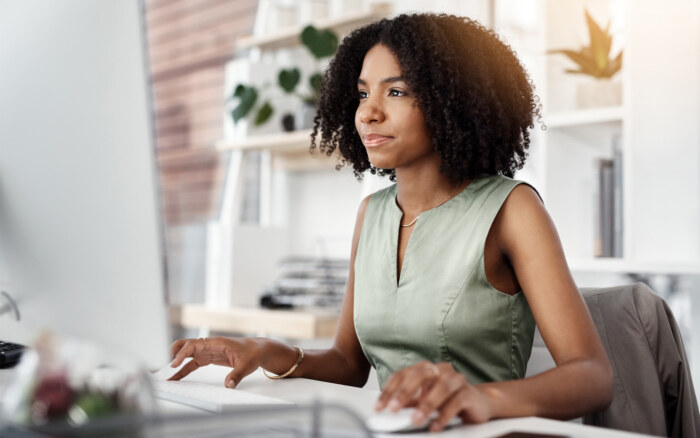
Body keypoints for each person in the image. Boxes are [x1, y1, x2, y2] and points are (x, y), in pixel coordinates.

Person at [168, 13, 614, 431]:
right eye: (363, 93)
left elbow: (592, 376)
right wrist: (269, 350)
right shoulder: (373, 213)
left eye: (396, 92)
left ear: (452, 101)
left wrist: (484, 399)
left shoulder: (513, 209)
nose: (368, 113)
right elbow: (349, 363)